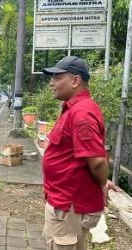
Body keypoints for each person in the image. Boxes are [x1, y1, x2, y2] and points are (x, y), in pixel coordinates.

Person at [41, 56, 118, 249]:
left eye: (57, 78)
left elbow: (98, 162)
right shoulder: (73, 109)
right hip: (62, 201)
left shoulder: (82, 113)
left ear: (75, 81)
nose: (52, 83)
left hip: (69, 206)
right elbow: (81, 157)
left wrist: (101, 184)